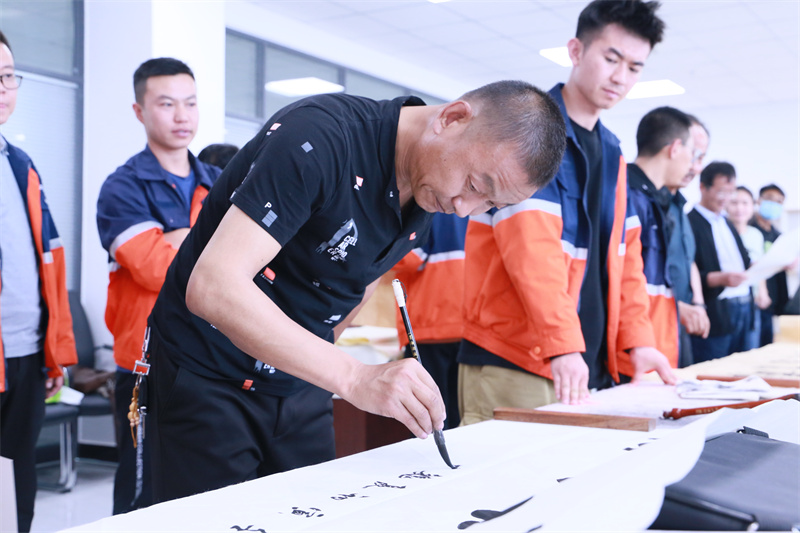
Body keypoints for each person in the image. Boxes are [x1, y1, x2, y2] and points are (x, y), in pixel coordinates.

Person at [145, 80, 567, 503]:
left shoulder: (429, 191)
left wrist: (320, 364)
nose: (464, 208)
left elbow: (360, 281)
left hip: (300, 383)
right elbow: (215, 285)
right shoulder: (319, 138)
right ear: (452, 118)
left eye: (488, 205)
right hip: (207, 376)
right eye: (475, 184)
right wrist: (353, 376)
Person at [457, 0, 676, 424]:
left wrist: (639, 342)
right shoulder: (529, 134)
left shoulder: (613, 153)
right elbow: (531, 251)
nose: (621, 77)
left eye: (634, 67)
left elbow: (627, 260)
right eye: (611, 58)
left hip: (582, 362)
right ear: (576, 51)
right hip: (519, 357)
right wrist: (562, 344)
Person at [96, 57, 221, 514]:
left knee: (204, 485)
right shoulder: (122, 188)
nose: (181, 115)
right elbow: (153, 269)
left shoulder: (219, 183)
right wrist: (205, 247)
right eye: (167, 104)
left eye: (190, 103)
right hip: (145, 363)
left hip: (212, 358)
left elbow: (244, 262)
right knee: (141, 491)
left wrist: (177, 238)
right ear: (140, 111)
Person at [0, 30, 77, 533]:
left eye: (7, 76)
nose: (3, 88)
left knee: (16, 476)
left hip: (26, 353)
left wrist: (55, 351)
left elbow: (49, 264)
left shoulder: (20, 163)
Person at [627, 106, 699, 368]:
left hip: (654, 338)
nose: (692, 165)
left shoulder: (656, 199)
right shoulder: (628, 194)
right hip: (632, 346)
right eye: (692, 153)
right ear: (675, 148)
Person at [391, 213, 468, 429]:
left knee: (427, 419)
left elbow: (402, 257)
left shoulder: (426, 206)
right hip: (468, 327)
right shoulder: (482, 204)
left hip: (428, 324)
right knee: (459, 416)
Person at [688, 162, 754, 362]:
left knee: (745, 368)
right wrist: (720, 278)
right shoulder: (689, 222)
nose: (726, 198)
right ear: (703, 187)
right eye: (721, 192)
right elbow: (687, 272)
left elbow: (744, 260)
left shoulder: (726, 222)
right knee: (714, 370)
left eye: (730, 192)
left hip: (744, 306)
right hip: (715, 310)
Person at [662, 115, 711, 367]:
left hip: (679, 324)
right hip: (653, 324)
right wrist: (676, 308)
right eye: (693, 155)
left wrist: (698, 303)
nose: (695, 167)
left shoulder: (679, 206)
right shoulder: (642, 202)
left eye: (700, 158)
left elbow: (689, 261)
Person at [727, 186, 771, 349]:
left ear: (753, 206)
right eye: (734, 203)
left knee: (750, 349)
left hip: (752, 303)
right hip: (727, 303)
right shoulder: (721, 231)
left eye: (745, 203)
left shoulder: (756, 235)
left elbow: (759, 267)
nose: (739, 208)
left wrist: (762, 291)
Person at [750, 183, 790, 346]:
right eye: (770, 199)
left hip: (773, 299)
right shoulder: (749, 230)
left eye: (779, 202)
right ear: (759, 200)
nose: (775, 204)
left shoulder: (779, 236)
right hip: (754, 299)